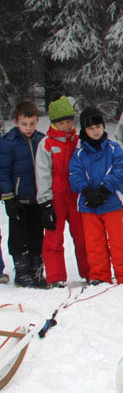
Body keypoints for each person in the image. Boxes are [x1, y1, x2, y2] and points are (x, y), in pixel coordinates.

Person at [69, 107, 123, 286]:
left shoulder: (114, 149)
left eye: (98, 126)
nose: (95, 131)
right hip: (88, 205)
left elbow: (121, 170)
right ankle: (99, 274)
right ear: (84, 130)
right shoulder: (78, 154)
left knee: (119, 241)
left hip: (112, 202)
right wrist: (86, 191)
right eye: (90, 128)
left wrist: (105, 189)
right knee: (94, 244)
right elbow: (74, 175)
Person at [35, 95, 90, 288]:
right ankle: (56, 276)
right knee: (53, 236)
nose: (66, 125)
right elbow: (42, 174)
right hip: (55, 196)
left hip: (75, 195)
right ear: (54, 123)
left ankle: (90, 271)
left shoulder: (79, 140)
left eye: (69, 121)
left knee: (83, 234)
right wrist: (45, 201)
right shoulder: (47, 144)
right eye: (62, 122)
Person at [0, 101, 46, 287]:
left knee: (37, 235)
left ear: (37, 121)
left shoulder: (41, 141)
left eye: (32, 123)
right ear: (16, 122)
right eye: (24, 124)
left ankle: (36, 268)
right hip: (18, 199)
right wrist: (9, 197)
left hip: (38, 198)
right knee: (18, 236)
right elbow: (2, 171)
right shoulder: (8, 143)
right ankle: (22, 270)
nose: (28, 128)